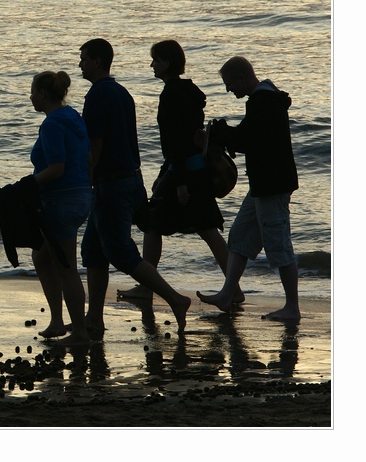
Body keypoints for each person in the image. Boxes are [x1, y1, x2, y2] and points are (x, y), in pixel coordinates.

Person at [78, 38, 192, 334]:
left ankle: (175, 299)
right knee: (93, 250)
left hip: (110, 184)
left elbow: (96, 145)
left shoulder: (98, 96)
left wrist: (85, 180)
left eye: (84, 58)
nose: (80, 64)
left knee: (119, 251)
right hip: (130, 178)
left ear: (98, 61)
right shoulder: (121, 93)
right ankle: (94, 319)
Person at [117, 40, 240, 304]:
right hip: (196, 170)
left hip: (183, 173)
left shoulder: (171, 94)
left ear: (167, 63)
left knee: (153, 223)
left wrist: (179, 182)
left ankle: (146, 287)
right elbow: (189, 138)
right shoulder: (190, 91)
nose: (152, 65)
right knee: (206, 229)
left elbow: (176, 142)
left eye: (156, 60)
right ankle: (234, 288)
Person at [197, 56, 300, 321]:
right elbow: (249, 137)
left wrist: (222, 133)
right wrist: (226, 133)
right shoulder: (264, 100)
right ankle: (227, 294)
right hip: (262, 185)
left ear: (243, 78)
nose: (228, 89)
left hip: (272, 186)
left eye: (229, 83)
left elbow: (245, 139)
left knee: (279, 246)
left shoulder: (263, 102)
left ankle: (292, 308)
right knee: (240, 236)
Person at [27, 70, 93, 345]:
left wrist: (25, 185)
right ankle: (57, 321)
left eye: (32, 92)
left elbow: (56, 168)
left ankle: (80, 333)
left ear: (42, 94)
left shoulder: (52, 123)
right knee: (42, 257)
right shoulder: (73, 116)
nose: (30, 97)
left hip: (62, 200)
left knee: (66, 267)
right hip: (79, 195)